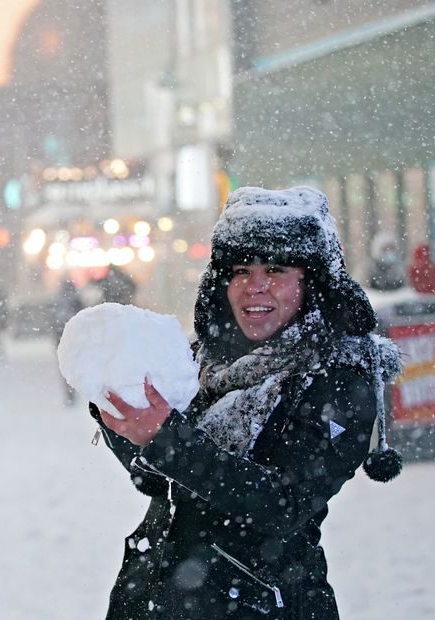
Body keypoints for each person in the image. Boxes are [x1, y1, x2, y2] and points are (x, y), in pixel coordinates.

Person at [90, 186, 403, 619]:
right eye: (240, 270)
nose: (254, 287)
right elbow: (163, 483)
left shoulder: (338, 379)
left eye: (275, 269)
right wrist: (120, 415)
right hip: (160, 597)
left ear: (311, 281)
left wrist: (166, 438)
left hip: (259, 604)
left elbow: (282, 504)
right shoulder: (204, 363)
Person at [50, 278, 84, 406]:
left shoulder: (58, 301)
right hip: (75, 341)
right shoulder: (76, 301)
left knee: (66, 370)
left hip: (62, 341)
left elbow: (53, 321)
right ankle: (79, 391)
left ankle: (70, 393)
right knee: (77, 368)